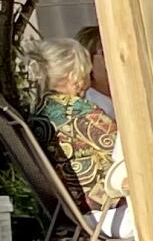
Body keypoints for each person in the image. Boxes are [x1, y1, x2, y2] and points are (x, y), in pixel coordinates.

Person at [24, 36, 122, 211]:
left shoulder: (38, 114)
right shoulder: (81, 112)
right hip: (107, 207)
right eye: (86, 73)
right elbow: (126, 150)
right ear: (73, 76)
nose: (89, 80)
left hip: (69, 210)